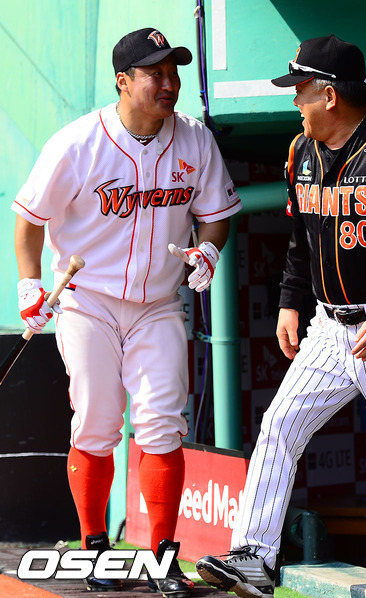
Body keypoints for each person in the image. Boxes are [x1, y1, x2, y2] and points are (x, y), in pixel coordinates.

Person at [196, 34, 366, 595]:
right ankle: (254, 556)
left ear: (330, 95)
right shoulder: (301, 151)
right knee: (279, 428)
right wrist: (290, 300)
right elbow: (302, 237)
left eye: (301, 90)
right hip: (328, 324)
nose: (295, 101)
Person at [12, 27, 241, 596]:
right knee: (96, 421)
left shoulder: (194, 139)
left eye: (173, 72)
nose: (169, 83)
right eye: (154, 73)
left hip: (157, 304)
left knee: (162, 422)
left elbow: (216, 215)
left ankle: (163, 557)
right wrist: (29, 286)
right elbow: (30, 219)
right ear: (123, 80)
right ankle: (94, 548)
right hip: (87, 301)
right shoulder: (77, 143)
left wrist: (209, 249)